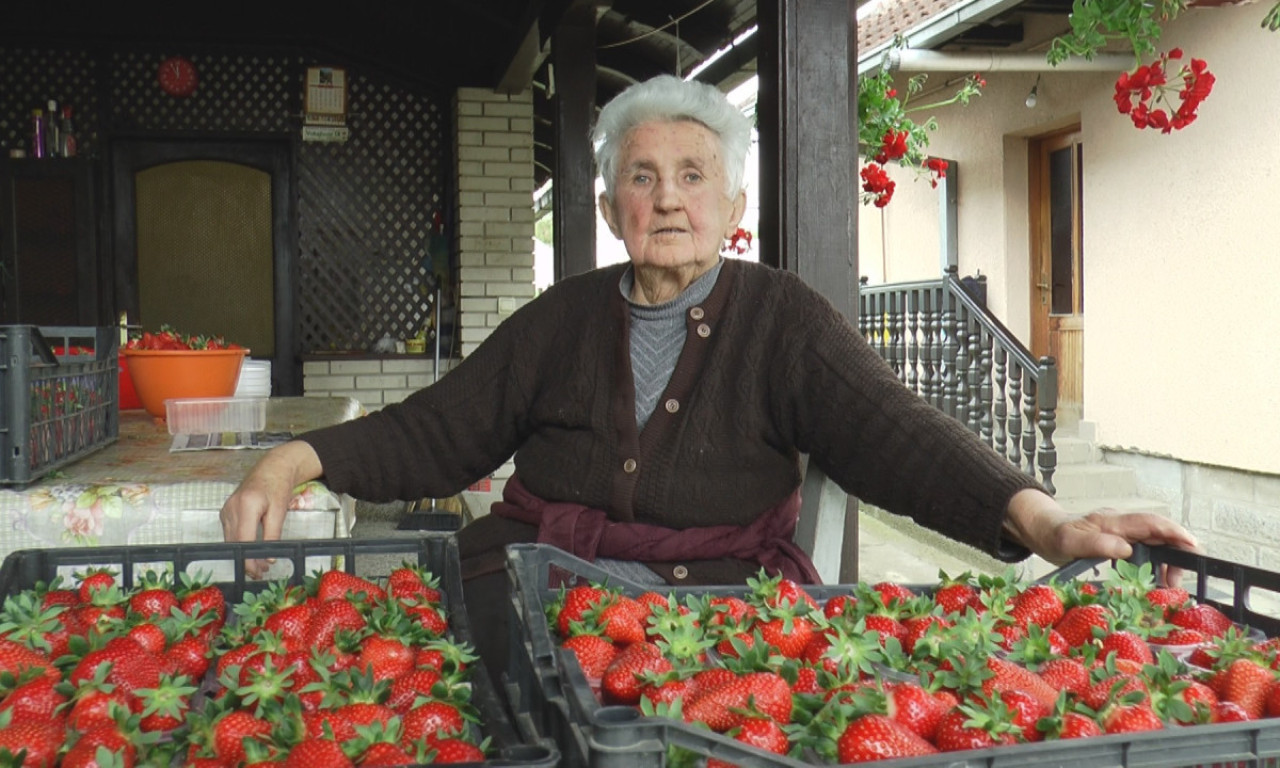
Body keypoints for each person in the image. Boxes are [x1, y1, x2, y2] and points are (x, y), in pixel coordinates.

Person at [220, 74, 1197, 676]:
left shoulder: (778, 318)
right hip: (532, 584)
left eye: (692, 175)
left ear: (731, 199)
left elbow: (894, 432)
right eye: (642, 177)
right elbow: (438, 428)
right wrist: (290, 461)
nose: (668, 199)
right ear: (609, 208)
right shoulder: (560, 320)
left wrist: (1042, 521)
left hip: (711, 608)